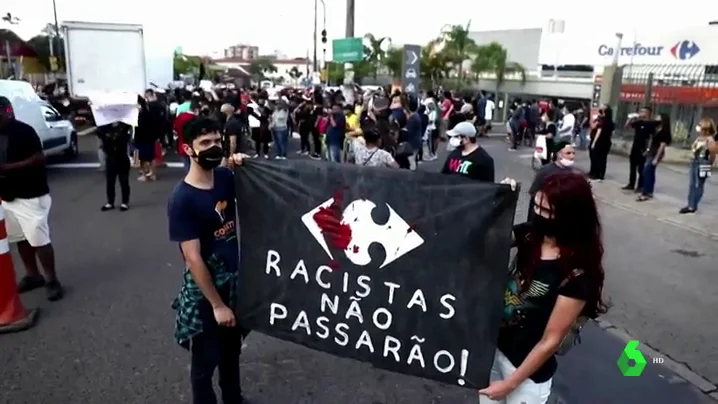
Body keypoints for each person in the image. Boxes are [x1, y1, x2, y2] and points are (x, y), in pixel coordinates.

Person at [478, 171, 608, 404]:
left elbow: (550, 341)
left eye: (547, 211)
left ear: (570, 217)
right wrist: (499, 201)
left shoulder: (576, 272)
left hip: (526, 376)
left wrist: (510, 384)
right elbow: (487, 242)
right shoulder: (531, 234)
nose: (539, 215)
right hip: (494, 349)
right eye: (536, 206)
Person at [168, 116, 247, 404]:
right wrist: (217, 305)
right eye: (205, 143)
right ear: (189, 149)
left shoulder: (225, 177)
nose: (214, 147)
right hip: (206, 293)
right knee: (205, 362)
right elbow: (192, 258)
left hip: (233, 281)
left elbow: (245, 177)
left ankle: (233, 398)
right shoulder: (182, 199)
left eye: (217, 141)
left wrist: (241, 161)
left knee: (231, 352)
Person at [0, 96, 63, 301]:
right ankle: (32, 274)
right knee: (20, 237)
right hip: (8, 195)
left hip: (31, 194)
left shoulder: (24, 131)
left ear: (7, 110)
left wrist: (9, 168)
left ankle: (52, 279)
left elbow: (39, 157)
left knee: (38, 239)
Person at [527, 141, 576, 219]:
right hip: (545, 214)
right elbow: (534, 192)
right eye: (568, 153)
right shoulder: (545, 170)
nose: (572, 156)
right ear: (558, 154)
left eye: (573, 153)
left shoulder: (574, 173)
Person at [680, 118, 717, 214]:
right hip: (694, 162)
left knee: (699, 184)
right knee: (692, 184)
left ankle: (693, 205)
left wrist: (709, 164)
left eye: (700, 125)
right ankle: (690, 204)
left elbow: (713, 153)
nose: (698, 127)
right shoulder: (698, 138)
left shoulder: (710, 140)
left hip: (704, 162)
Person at [97, 121, 132, 211]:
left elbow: (127, 136)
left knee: (124, 181)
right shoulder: (105, 127)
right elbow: (99, 132)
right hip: (111, 158)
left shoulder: (124, 126)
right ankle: (110, 202)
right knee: (110, 182)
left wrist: (119, 133)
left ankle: (125, 202)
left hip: (122, 158)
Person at [637, 113, 672, 202]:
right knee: (650, 172)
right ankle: (649, 192)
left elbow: (662, 146)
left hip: (656, 152)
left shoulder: (665, 131)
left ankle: (645, 192)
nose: (656, 119)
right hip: (651, 151)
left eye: (658, 117)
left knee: (646, 171)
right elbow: (651, 140)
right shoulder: (656, 129)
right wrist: (648, 150)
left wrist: (656, 158)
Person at [623, 106, 657, 192]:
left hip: (643, 148)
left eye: (643, 112)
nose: (641, 113)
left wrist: (648, 149)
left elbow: (651, 138)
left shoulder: (650, 124)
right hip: (635, 147)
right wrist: (630, 118)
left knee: (641, 168)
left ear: (648, 113)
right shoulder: (638, 122)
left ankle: (640, 186)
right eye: (640, 111)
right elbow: (626, 127)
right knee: (632, 167)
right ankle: (631, 184)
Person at [588, 105, 614, 182]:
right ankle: (599, 174)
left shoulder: (603, 121)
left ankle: (597, 174)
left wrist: (594, 142)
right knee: (602, 159)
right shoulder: (608, 121)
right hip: (606, 142)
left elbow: (598, 131)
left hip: (601, 142)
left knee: (598, 158)